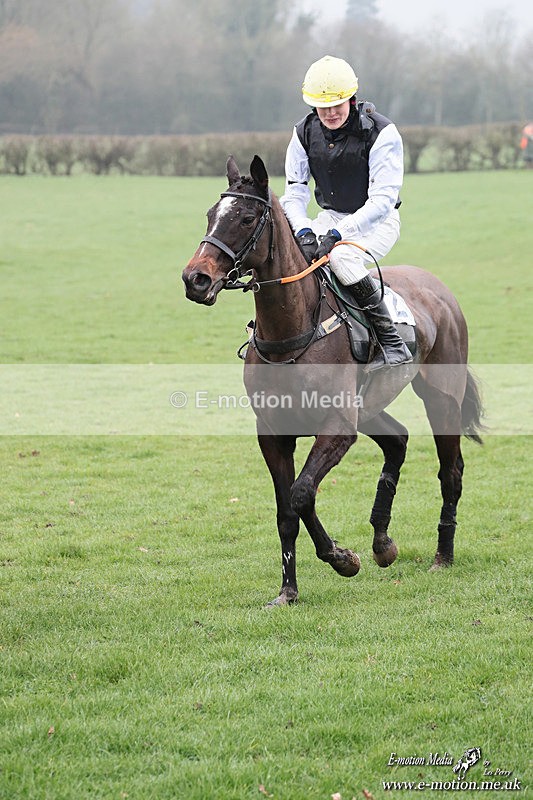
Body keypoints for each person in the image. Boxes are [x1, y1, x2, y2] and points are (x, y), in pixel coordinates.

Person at [280, 54, 412, 370]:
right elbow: (294, 192)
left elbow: (381, 201)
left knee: (340, 258)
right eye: (322, 106)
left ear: (351, 99)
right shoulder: (302, 133)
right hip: (331, 216)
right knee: (294, 255)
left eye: (337, 104)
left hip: (377, 221)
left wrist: (338, 235)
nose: (330, 112)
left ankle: (391, 341)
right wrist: (303, 230)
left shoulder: (382, 132)